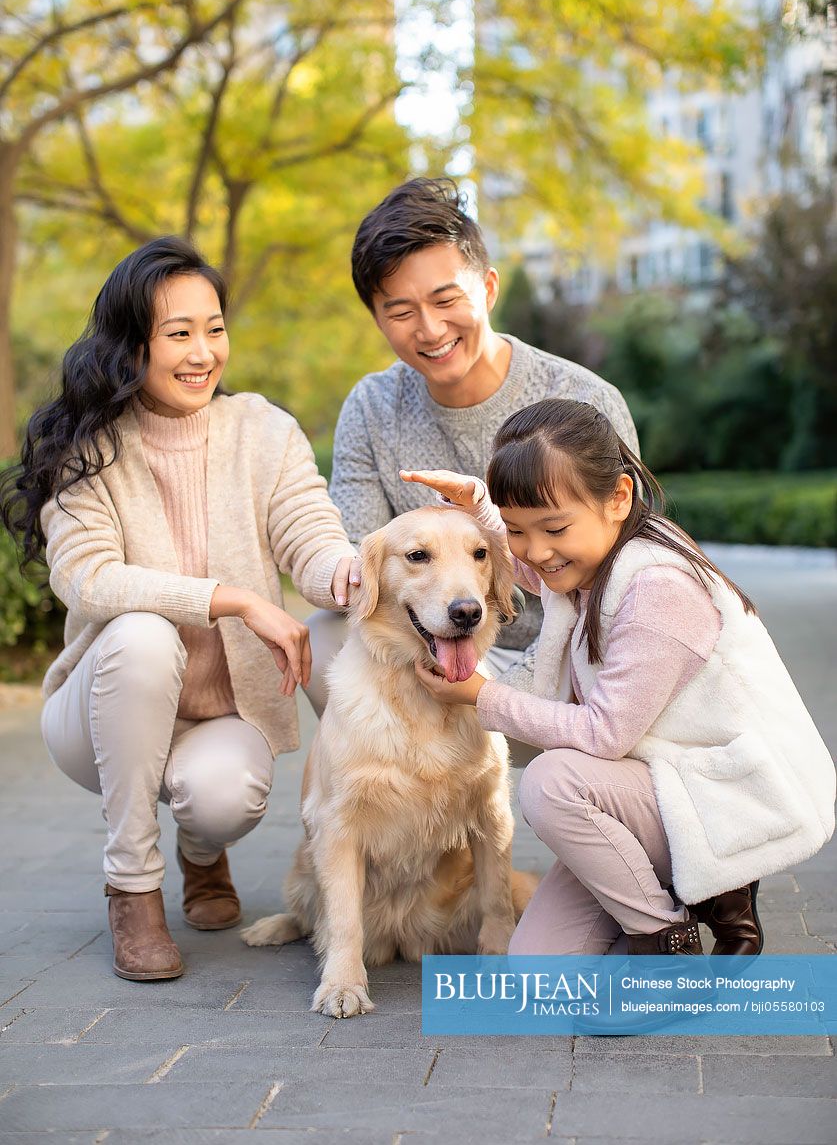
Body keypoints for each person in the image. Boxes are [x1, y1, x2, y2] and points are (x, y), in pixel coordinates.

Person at [0, 237, 356, 982]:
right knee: (139, 632)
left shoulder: (262, 430)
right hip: (97, 706)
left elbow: (311, 536)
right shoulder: (86, 446)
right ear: (133, 346)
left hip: (221, 712)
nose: (203, 351)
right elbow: (90, 580)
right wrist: (230, 599)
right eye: (179, 332)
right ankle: (131, 885)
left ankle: (202, 852)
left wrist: (361, 571)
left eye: (214, 327)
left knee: (224, 797)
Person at [404, 398, 836, 956]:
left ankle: (665, 938)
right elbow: (542, 572)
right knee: (541, 973)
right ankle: (695, 892)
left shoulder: (659, 588)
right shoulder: (596, 557)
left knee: (551, 781)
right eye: (516, 532)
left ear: (619, 498)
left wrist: (483, 696)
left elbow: (605, 734)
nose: (534, 553)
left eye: (554, 527)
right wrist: (485, 514)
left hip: (725, 796)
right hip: (657, 788)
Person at [306, 177, 639, 726]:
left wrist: (496, 689)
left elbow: (626, 576)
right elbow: (356, 564)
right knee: (324, 636)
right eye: (401, 311)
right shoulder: (371, 407)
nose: (430, 329)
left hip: (565, 659)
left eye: (446, 299)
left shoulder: (584, 400)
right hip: (428, 647)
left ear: (487, 288)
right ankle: (397, 797)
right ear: (376, 316)